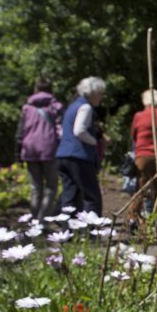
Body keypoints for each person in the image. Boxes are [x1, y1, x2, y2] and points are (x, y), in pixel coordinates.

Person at [56, 77, 106, 215]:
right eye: (100, 93)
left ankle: (68, 232)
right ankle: (91, 232)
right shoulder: (85, 107)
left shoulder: (72, 106)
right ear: (93, 93)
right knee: (92, 197)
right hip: (79, 156)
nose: (101, 97)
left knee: (69, 195)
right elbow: (79, 131)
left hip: (63, 155)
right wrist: (95, 141)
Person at [16, 79, 63, 219]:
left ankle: (34, 219)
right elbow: (61, 131)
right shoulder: (56, 107)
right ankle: (42, 220)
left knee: (35, 188)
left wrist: (17, 153)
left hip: (30, 150)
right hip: (49, 150)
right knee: (51, 187)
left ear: (35, 89)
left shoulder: (26, 108)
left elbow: (20, 132)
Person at [130, 88, 157, 221]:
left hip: (142, 155)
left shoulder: (139, 116)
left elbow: (134, 135)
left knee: (140, 188)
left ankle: (133, 217)